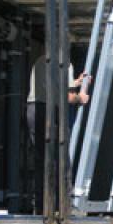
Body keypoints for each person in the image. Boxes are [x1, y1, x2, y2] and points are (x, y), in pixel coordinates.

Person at [26, 55, 90, 214]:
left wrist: (74, 83)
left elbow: (52, 86)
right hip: (49, 112)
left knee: (42, 159)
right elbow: (67, 97)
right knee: (61, 160)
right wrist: (80, 98)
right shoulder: (65, 63)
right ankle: (64, 207)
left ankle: (41, 207)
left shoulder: (41, 60)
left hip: (33, 110)